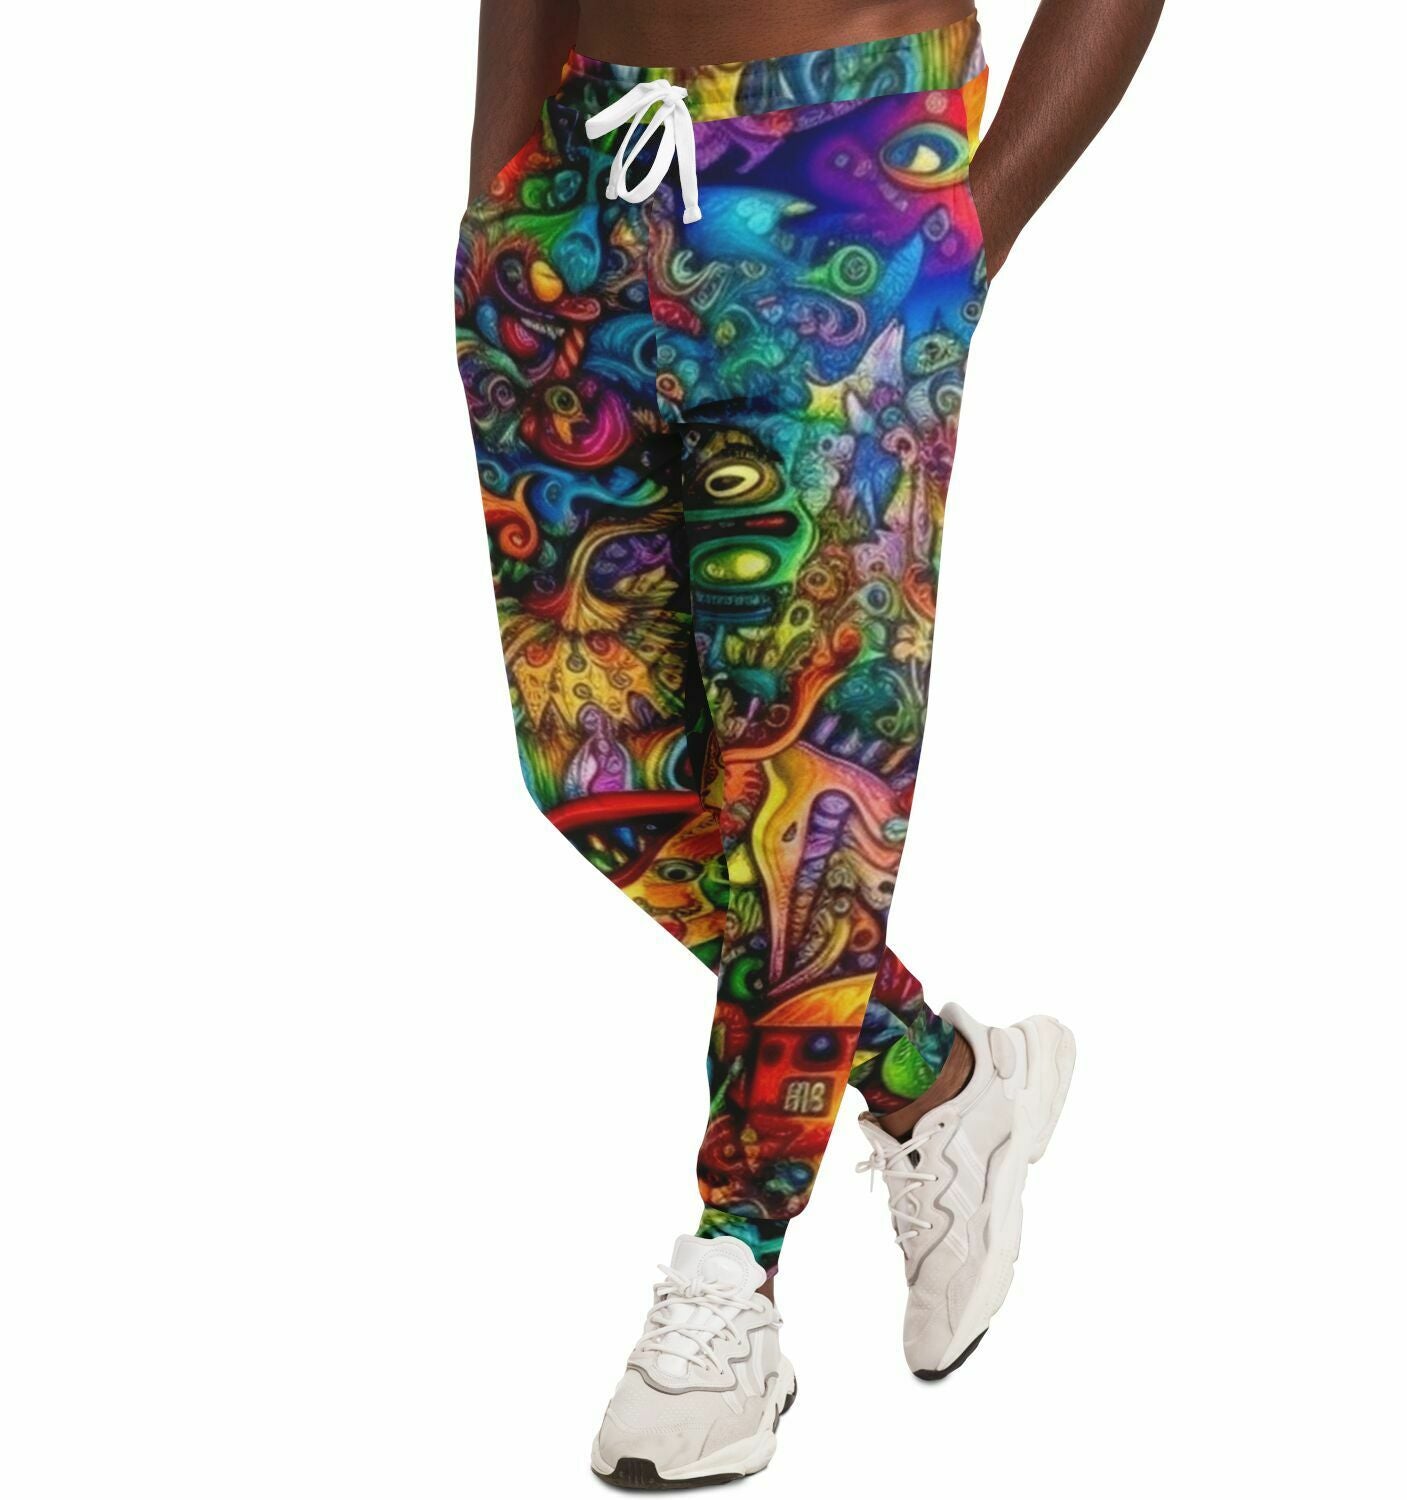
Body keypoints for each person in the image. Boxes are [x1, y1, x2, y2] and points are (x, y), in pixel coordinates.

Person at [455, 0, 1161, 1485]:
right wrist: (494, 197)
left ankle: (733, 1280)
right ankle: (940, 1083)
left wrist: (972, 230)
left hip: (845, 174)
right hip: (579, 192)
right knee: (597, 773)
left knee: (807, 793)